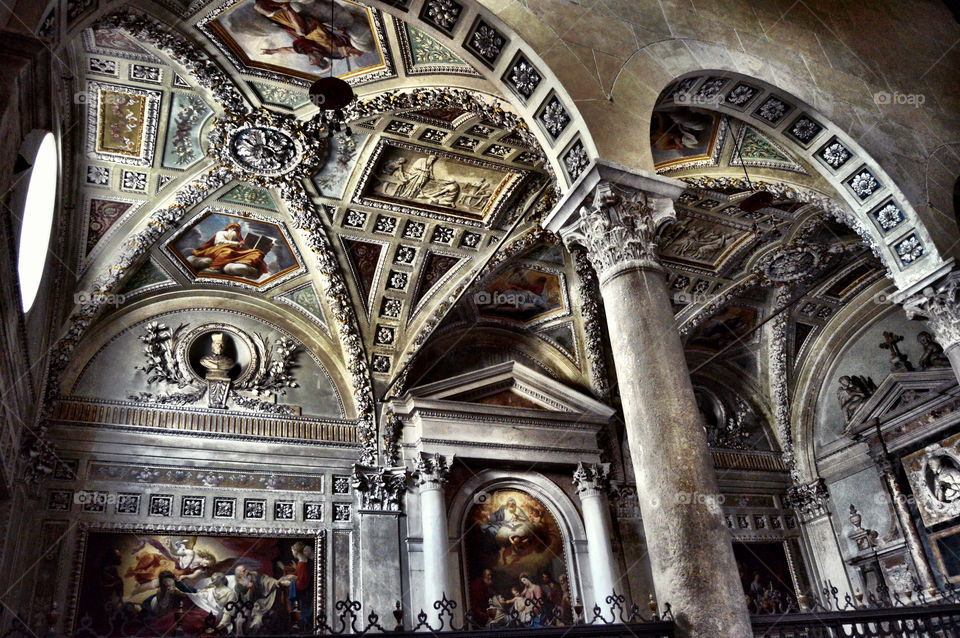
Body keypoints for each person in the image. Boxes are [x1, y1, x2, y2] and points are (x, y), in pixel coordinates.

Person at [255, 0, 364, 70]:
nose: (311, 61)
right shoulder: (338, 50)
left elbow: (290, 50)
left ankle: (284, 8)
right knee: (302, 32)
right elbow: (343, 41)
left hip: (304, 30)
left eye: (311, 61)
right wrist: (347, 50)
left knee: (263, 8)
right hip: (316, 28)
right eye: (314, 62)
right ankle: (287, 7)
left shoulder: (311, 50)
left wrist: (273, 51)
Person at [188, 222, 269, 279]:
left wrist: (265, 247)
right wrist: (236, 243)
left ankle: (246, 265)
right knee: (227, 251)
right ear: (229, 228)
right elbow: (219, 242)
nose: (234, 229)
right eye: (233, 227)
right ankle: (215, 268)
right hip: (218, 249)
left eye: (237, 229)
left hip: (235, 251)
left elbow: (243, 249)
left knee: (257, 252)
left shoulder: (237, 238)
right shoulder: (221, 233)